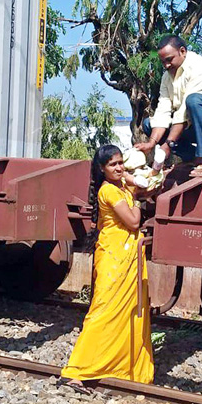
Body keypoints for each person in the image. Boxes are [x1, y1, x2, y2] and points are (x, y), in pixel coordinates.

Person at [61, 145, 154, 387]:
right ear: (102, 169)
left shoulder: (120, 187)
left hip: (124, 256)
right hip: (114, 258)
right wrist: (137, 199)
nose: (119, 168)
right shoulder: (109, 192)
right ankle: (78, 370)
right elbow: (133, 221)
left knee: (128, 314)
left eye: (121, 162)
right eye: (113, 164)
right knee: (103, 312)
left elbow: (143, 185)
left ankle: (121, 368)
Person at [135, 35, 202, 177]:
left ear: (183, 51)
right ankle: (191, 158)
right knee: (149, 124)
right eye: (163, 62)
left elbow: (183, 112)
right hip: (192, 126)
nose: (166, 65)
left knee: (194, 100)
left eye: (169, 59)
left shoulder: (200, 67)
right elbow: (163, 112)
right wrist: (151, 144)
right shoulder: (167, 77)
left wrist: (168, 144)